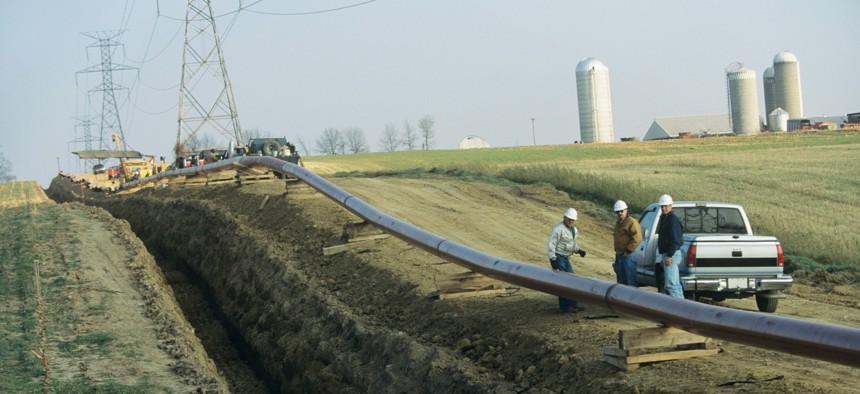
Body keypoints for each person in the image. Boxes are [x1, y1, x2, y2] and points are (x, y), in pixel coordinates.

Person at [546, 208, 587, 312]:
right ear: (564, 217)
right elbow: (551, 244)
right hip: (559, 257)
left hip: (566, 258)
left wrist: (578, 250)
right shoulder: (558, 229)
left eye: (573, 220)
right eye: (569, 219)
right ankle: (565, 307)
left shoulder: (573, 230)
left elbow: (571, 243)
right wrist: (552, 259)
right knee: (563, 282)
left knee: (572, 280)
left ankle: (572, 304)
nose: (571, 221)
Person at [656, 194, 684, 298]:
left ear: (671, 206)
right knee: (675, 283)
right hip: (667, 254)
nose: (663, 208)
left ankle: (678, 310)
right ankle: (682, 307)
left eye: (666, 206)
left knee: (671, 284)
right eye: (662, 206)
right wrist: (662, 257)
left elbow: (675, 240)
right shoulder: (665, 218)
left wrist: (669, 256)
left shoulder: (672, 220)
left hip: (671, 254)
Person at [613, 200, 642, 287]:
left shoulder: (631, 222)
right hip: (620, 255)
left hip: (629, 256)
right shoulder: (618, 224)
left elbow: (637, 238)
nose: (620, 213)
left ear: (626, 210)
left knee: (630, 283)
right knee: (621, 283)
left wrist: (628, 251)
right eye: (618, 212)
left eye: (622, 211)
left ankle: (632, 300)